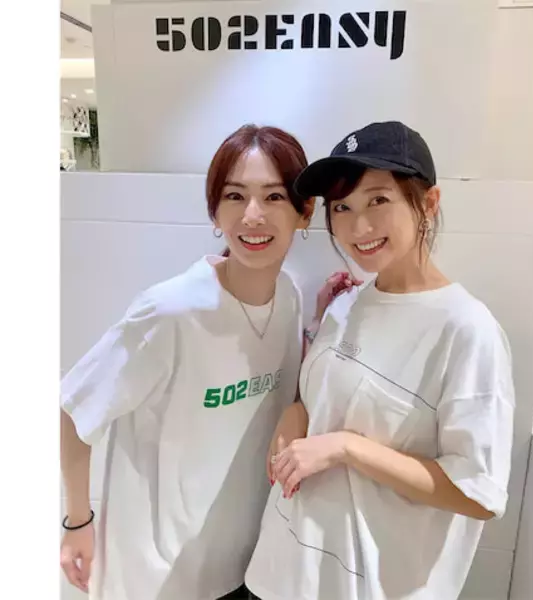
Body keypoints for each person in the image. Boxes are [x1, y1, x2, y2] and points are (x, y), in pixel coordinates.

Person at [59, 124, 354, 600]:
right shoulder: (170, 312)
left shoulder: (290, 296)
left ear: (304, 213)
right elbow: (74, 410)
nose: (252, 215)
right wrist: (77, 522)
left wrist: (321, 321)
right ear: (215, 212)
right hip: (155, 579)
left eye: (274, 197)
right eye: (235, 196)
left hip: (245, 565)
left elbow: (275, 384)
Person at [245, 121, 516, 600]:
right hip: (282, 571)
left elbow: (476, 493)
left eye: (378, 200)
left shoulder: (466, 330)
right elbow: (325, 399)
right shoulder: (346, 304)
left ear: (428, 203)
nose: (358, 227)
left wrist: (348, 448)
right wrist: (296, 413)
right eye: (342, 207)